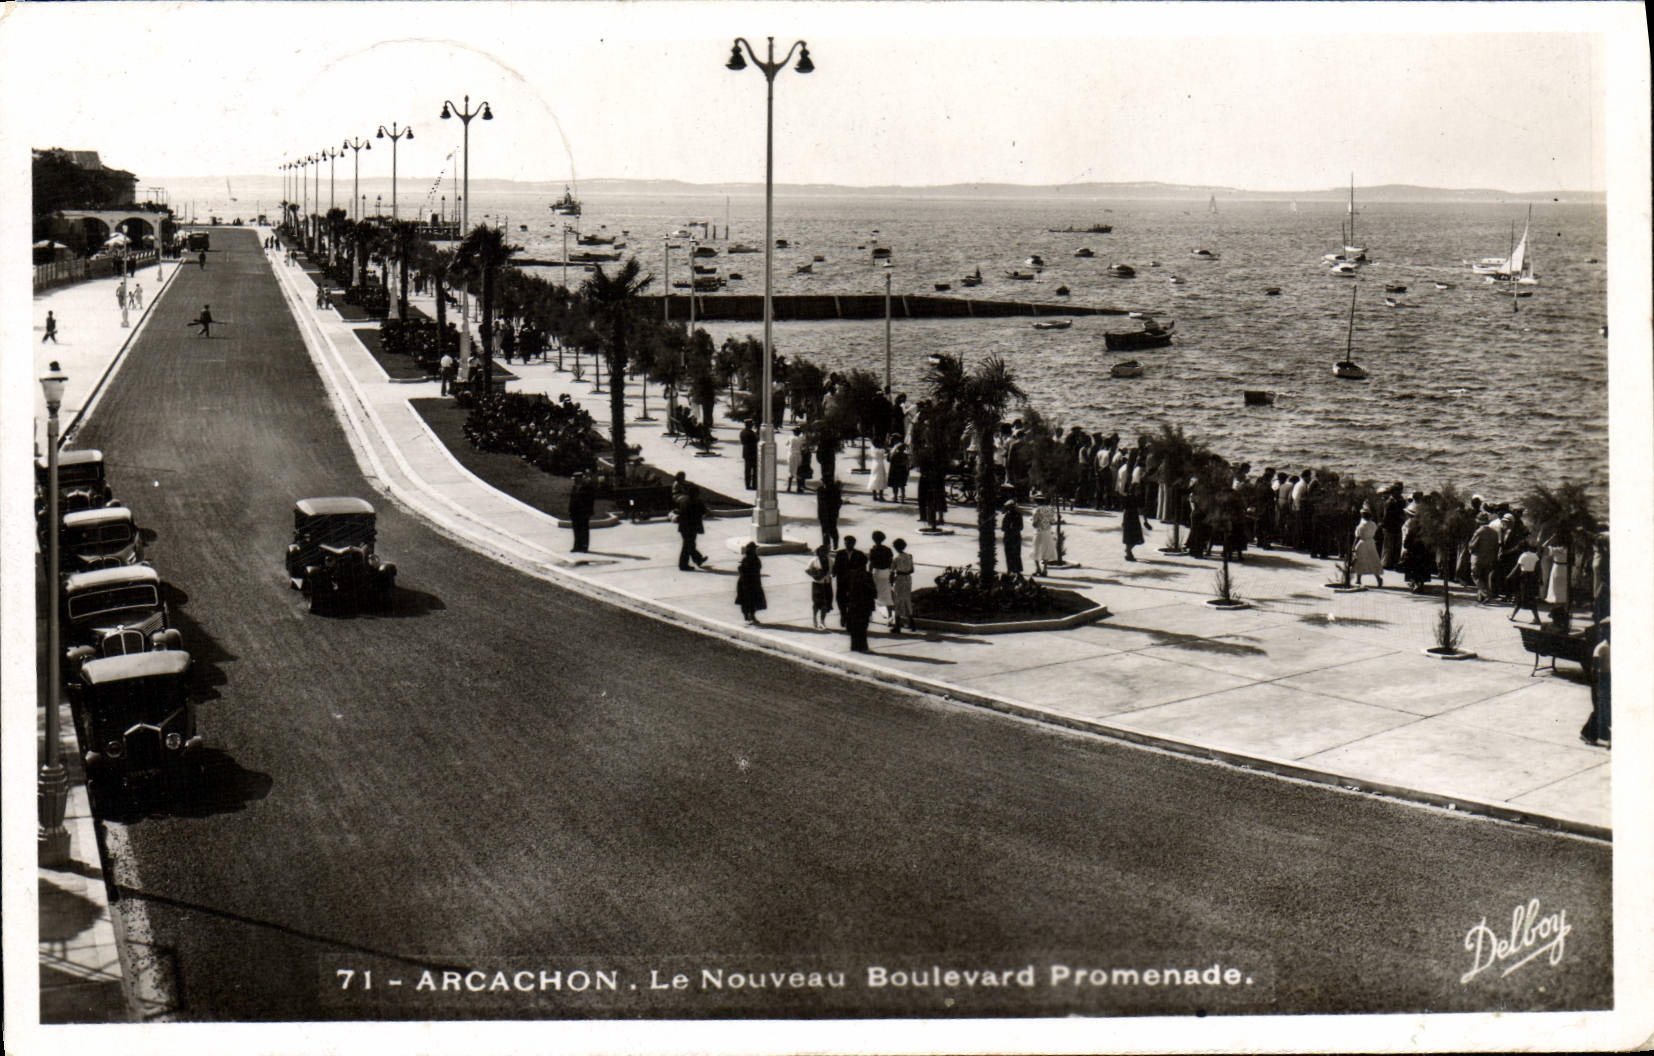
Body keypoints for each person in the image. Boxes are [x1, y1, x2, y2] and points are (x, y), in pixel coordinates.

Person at [842, 547, 878, 653]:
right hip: (864, 604)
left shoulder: (849, 574)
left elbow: (844, 589)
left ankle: (854, 646)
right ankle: (862, 646)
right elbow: (873, 591)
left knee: (854, 626)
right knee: (863, 626)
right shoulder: (866, 575)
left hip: (853, 603)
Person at [1581, 620, 1610, 746]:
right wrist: (1597, 685)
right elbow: (1595, 669)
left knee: (1603, 708)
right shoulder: (1601, 647)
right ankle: (1588, 734)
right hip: (1600, 679)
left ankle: (1590, 731)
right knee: (1599, 708)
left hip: (1608, 678)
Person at [1468, 511, 1502, 602]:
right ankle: (1481, 597)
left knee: (1475, 576)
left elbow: (1472, 545)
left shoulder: (1479, 531)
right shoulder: (1494, 532)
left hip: (1478, 558)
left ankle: (1486, 594)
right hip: (1489, 559)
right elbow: (1496, 546)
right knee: (1485, 578)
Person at [673, 482, 708, 571]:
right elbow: (704, 512)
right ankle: (683, 565)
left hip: (683, 527)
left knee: (689, 544)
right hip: (692, 527)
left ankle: (698, 559)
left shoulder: (684, 501)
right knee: (688, 545)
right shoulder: (697, 502)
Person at [1508, 538, 1542, 624]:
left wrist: (1509, 576)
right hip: (1532, 578)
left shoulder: (1523, 556)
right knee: (1531, 598)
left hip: (1524, 577)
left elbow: (1517, 567)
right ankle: (1536, 618)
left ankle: (1512, 615)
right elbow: (1539, 569)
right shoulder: (1535, 556)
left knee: (1520, 597)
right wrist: (1540, 579)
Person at [1351, 504, 1384, 587]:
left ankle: (1358, 579)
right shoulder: (1373, 524)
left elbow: (1357, 536)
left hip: (1362, 543)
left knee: (1360, 560)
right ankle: (1377, 577)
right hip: (1371, 543)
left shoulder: (1361, 525)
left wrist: (1353, 546)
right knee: (1372, 560)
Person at [735, 542, 766, 623]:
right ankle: (749, 616)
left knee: (752, 601)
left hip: (753, 583)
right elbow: (742, 571)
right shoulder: (746, 559)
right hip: (747, 584)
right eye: (753, 549)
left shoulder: (754, 558)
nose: (754, 550)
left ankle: (750, 616)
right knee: (748, 601)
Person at [890, 537, 916, 633]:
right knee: (907, 599)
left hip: (900, 579)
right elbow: (912, 570)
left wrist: (891, 582)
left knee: (898, 601)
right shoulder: (909, 556)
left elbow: (892, 572)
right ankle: (912, 622)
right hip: (908, 579)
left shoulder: (896, 559)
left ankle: (897, 626)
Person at [832, 536, 859, 628]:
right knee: (840, 599)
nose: (847, 545)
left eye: (849, 543)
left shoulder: (859, 554)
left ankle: (849, 617)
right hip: (842, 581)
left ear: (854, 544)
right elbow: (836, 565)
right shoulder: (840, 554)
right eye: (846, 543)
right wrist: (834, 572)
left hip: (854, 582)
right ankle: (843, 614)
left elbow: (862, 568)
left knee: (852, 600)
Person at [868, 530, 895, 620]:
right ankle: (890, 615)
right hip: (886, 572)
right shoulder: (888, 550)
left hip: (876, 572)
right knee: (887, 594)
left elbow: (871, 563)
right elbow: (891, 563)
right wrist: (892, 573)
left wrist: (869, 574)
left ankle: (870, 614)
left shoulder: (873, 550)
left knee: (872, 593)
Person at [807, 543, 834, 629]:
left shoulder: (830, 560)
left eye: (825, 551)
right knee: (816, 603)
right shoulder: (814, 560)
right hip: (817, 584)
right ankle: (814, 618)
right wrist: (815, 575)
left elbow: (832, 571)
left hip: (827, 583)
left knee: (825, 604)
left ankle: (822, 621)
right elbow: (807, 570)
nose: (823, 553)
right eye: (822, 551)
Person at [568, 470, 596, 553]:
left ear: (581, 478)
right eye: (575, 478)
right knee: (576, 529)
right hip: (575, 511)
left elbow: (590, 500)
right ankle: (577, 546)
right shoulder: (574, 487)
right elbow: (572, 500)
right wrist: (570, 510)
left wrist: (589, 511)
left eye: (578, 478)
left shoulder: (587, 487)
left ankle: (584, 546)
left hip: (584, 511)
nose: (576, 480)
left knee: (584, 529)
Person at [1032, 498, 1059, 576]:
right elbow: (1052, 521)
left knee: (1036, 549)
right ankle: (1045, 569)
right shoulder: (1050, 510)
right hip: (1047, 532)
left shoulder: (1036, 510)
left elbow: (1034, 523)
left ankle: (1038, 569)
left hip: (1039, 532)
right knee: (1046, 549)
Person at [816, 476, 843, 551]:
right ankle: (826, 546)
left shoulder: (835, 490)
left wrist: (836, 510)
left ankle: (835, 542)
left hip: (832, 513)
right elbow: (819, 502)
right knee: (824, 530)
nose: (824, 483)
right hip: (823, 513)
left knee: (832, 529)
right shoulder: (820, 489)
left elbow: (839, 502)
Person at [1120, 485, 1145, 562]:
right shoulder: (1129, 497)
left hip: (1134, 518)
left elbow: (1141, 509)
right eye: (1137, 490)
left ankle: (1128, 550)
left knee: (1134, 537)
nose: (1139, 491)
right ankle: (1128, 552)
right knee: (1131, 537)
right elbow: (1125, 509)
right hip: (1129, 518)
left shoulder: (1137, 498)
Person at [1002, 500, 1025, 574]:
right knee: (1016, 554)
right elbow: (1021, 527)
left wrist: (1009, 529)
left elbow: (1003, 528)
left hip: (1008, 537)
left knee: (1009, 554)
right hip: (1016, 536)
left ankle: (1010, 569)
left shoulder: (1007, 516)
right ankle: (1017, 570)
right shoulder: (1018, 515)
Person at [887, 439, 910, 503]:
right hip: (902, 471)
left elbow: (888, 459)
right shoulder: (905, 455)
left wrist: (893, 450)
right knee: (902, 485)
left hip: (895, 471)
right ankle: (902, 498)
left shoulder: (894, 455)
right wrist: (907, 471)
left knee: (895, 485)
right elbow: (907, 464)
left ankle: (895, 497)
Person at [785, 427, 805, 492]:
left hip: (791, 454)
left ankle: (789, 487)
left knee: (790, 470)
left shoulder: (790, 438)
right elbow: (803, 447)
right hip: (798, 455)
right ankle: (798, 488)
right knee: (798, 470)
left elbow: (786, 444)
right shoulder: (801, 439)